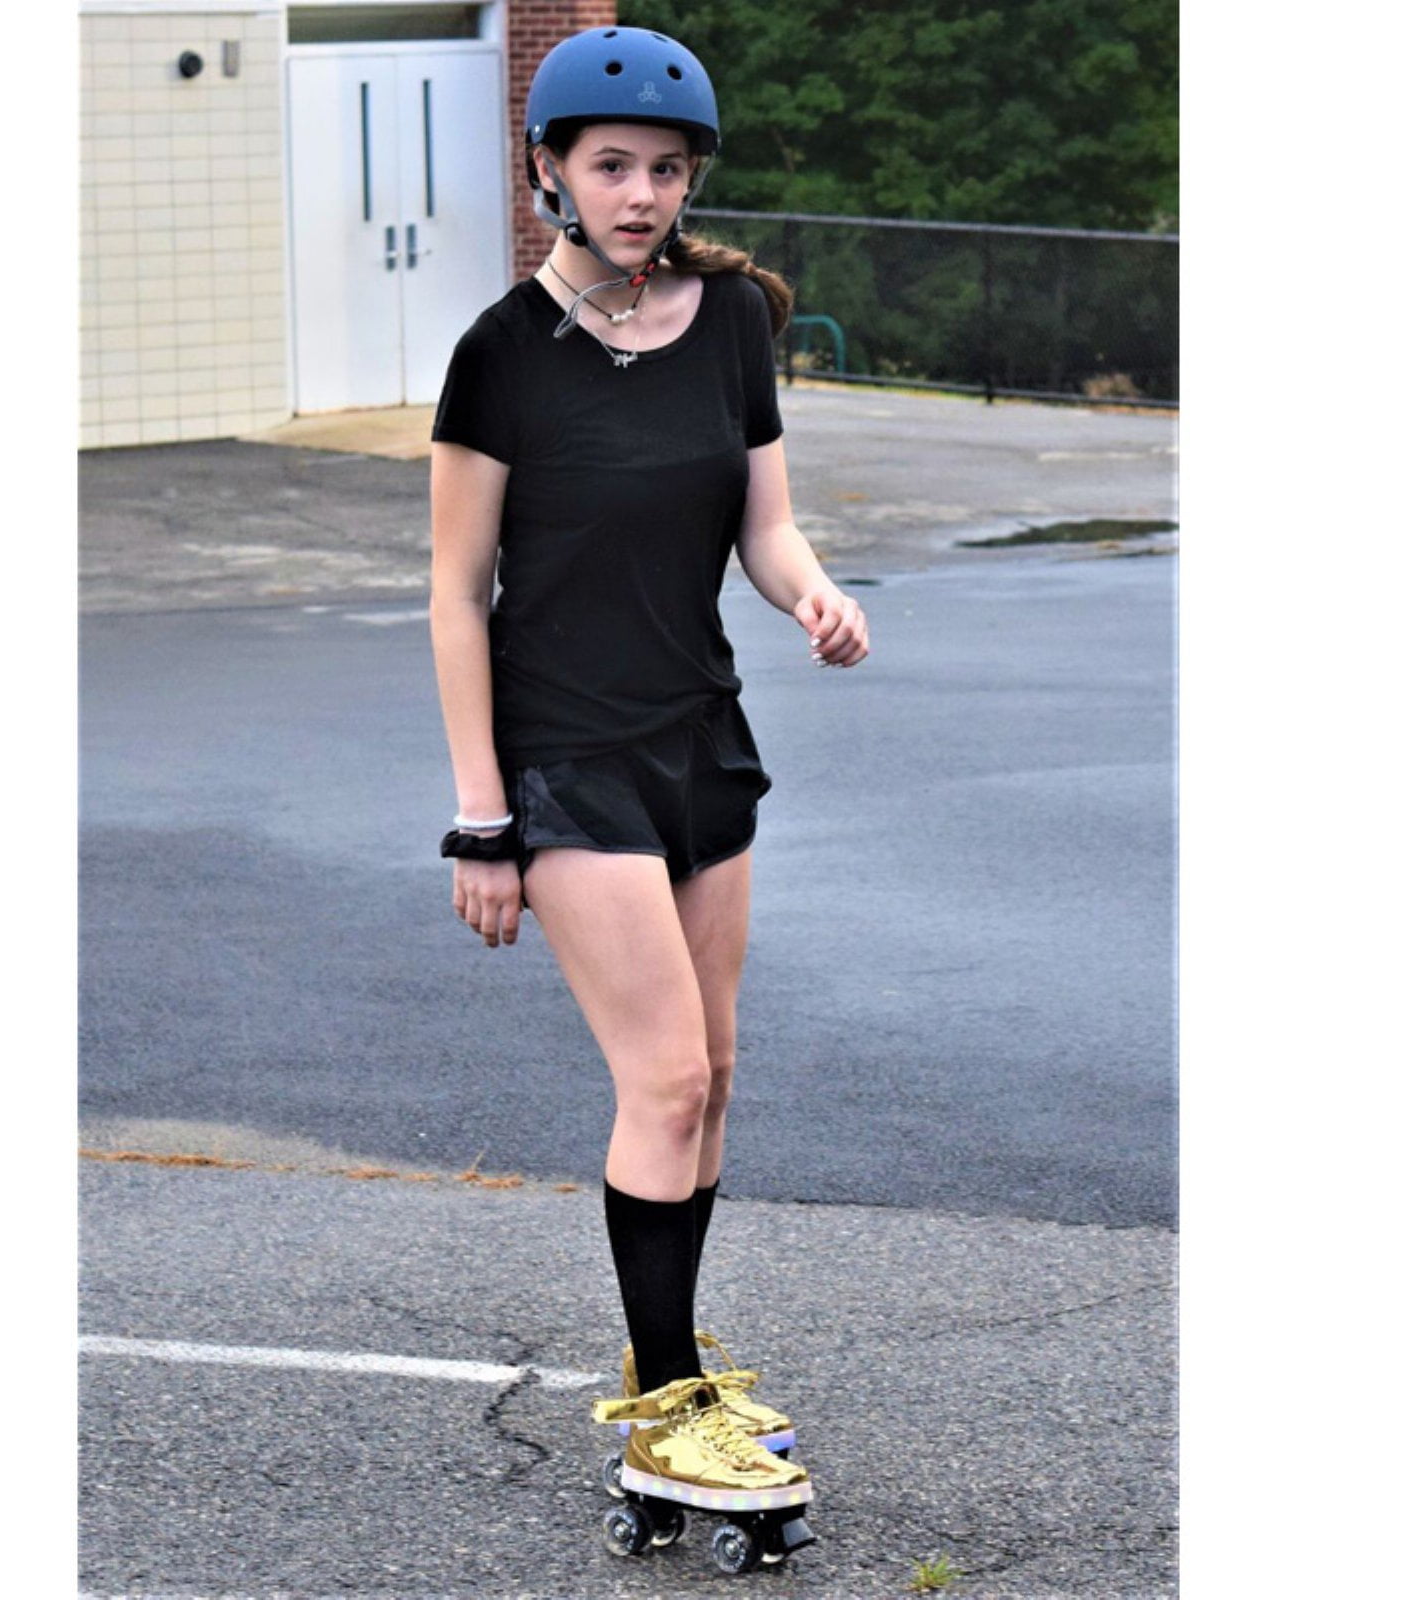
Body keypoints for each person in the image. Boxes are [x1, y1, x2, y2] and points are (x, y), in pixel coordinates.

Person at [428, 23, 868, 1553]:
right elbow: (455, 595)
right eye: (611, 165)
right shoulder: (500, 355)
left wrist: (813, 593)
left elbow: (765, 526)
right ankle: (675, 1417)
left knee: (715, 1076)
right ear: (547, 170)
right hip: (566, 757)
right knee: (664, 1079)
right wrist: (482, 817)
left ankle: (661, 1369)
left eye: (667, 170)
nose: (641, 194)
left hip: (699, 741)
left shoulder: (733, 319)